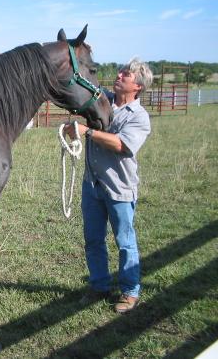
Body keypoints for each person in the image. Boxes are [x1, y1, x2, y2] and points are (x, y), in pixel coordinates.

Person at [65, 57, 153, 313]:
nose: (119, 75)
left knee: (124, 241)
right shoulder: (102, 99)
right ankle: (99, 286)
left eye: (126, 74)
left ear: (137, 86)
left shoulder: (139, 117)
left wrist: (87, 132)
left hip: (119, 188)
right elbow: (77, 95)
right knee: (93, 240)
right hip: (92, 184)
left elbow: (122, 145)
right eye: (121, 71)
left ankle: (129, 292)